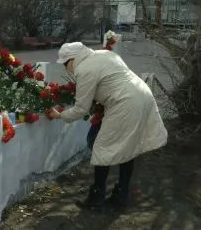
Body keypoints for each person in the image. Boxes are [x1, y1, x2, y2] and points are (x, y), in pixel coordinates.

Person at [48, 42, 168, 210]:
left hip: (125, 104)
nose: (66, 69)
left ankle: (96, 198)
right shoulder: (104, 55)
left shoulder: (84, 69)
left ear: (73, 59)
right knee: (128, 147)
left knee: (102, 147)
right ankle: (121, 195)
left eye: (65, 64)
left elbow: (81, 108)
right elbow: (111, 82)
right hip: (143, 95)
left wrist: (60, 115)